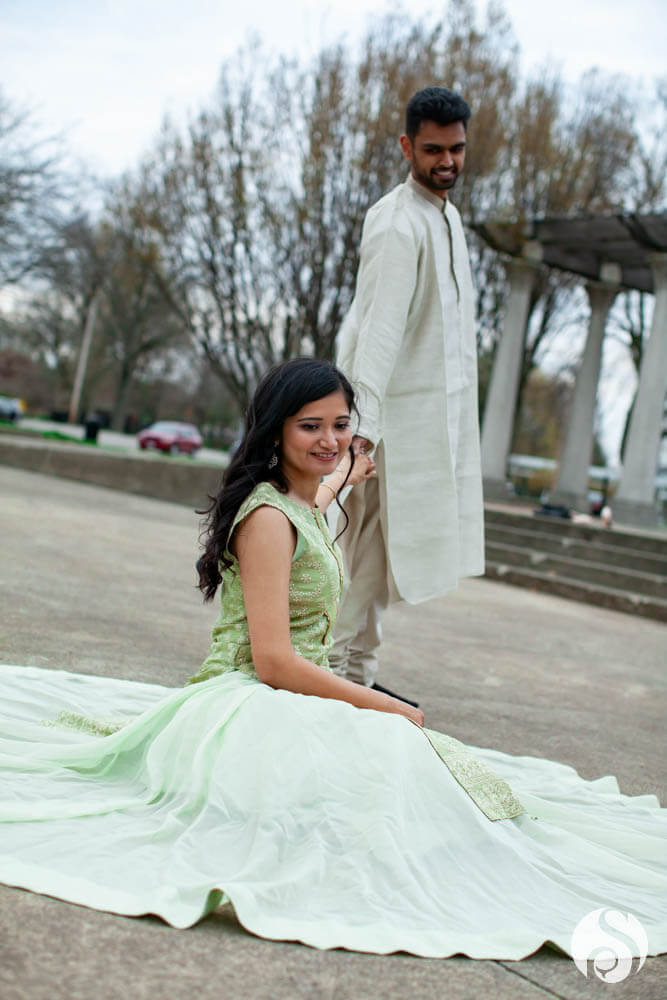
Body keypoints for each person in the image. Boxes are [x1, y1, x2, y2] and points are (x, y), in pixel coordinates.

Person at [0, 357, 666, 963]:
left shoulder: (300, 501)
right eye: (309, 426)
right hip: (254, 699)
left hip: (295, 695)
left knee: (420, 780)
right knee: (388, 767)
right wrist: (388, 704)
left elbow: (314, 506)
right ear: (275, 432)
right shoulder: (266, 519)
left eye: (340, 425)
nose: (328, 439)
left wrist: (344, 474)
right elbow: (274, 662)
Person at [331, 86, 484, 697]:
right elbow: (379, 329)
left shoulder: (446, 217)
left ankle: (357, 675)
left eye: (456, 149)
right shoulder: (397, 221)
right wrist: (357, 432)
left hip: (427, 425)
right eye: (432, 150)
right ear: (406, 146)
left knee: (386, 559)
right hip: (382, 423)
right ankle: (335, 673)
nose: (446, 162)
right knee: (361, 550)